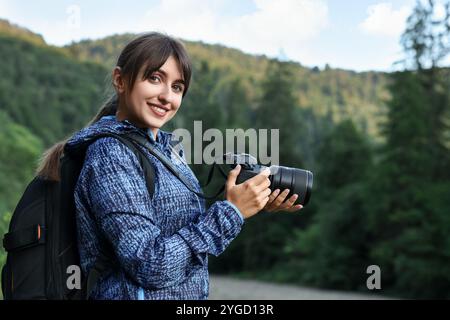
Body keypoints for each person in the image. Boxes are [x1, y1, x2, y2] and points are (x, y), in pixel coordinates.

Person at [36, 32, 302, 300]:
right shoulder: (110, 154)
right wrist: (230, 213)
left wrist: (245, 203)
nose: (166, 96)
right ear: (120, 80)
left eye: (177, 87)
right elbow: (149, 264)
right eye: (155, 79)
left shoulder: (167, 149)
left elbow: (181, 232)